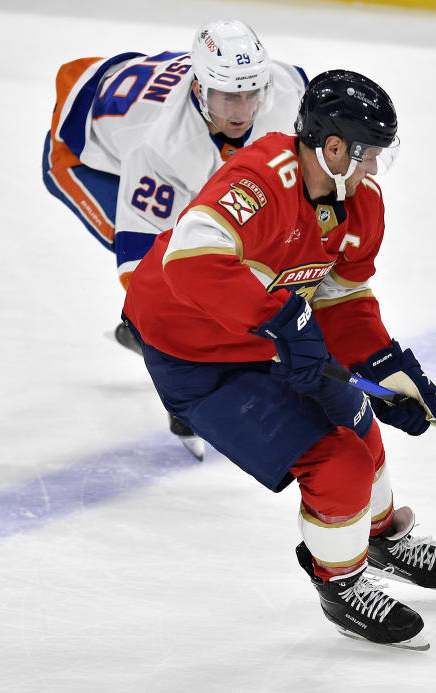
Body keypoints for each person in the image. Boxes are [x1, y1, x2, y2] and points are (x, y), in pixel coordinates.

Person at [122, 69, 436, 650]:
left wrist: (385, 367)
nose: (376, 170)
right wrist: (283, 321)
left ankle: (376, 533)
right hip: (196, 358)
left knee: (359, 414)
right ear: (333, 148)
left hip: (266, 335)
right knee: (338, 466)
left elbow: (344, 297)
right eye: (369, 155)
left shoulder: (359, 201)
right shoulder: (260, 180)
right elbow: (189, 259)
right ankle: (340, 582)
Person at [42, 20, 308, 460]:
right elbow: (142, 270)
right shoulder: (159, 146)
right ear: (200, 90)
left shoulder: (282, 88)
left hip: (133, 85)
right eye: (228, 96)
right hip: (79, 151)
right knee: (175, 265)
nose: (244, 110)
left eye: (250, 93)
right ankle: (152, 350)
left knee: (221, 238)